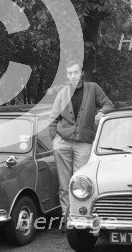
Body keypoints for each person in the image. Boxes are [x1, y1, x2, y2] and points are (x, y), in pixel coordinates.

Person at [49, 60, 114, 227]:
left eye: (75, 73)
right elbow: (53, 119)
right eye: (69, 73)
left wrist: (100, 113)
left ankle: (80, 217)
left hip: (84, 143)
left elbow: (109, 105)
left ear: (82, 73)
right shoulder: (62, 93)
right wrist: (55, 140)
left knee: (80, 182)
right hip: (62, 143)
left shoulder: (93, 88)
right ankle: (68, 219)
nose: (72, 76)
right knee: (64, 184)